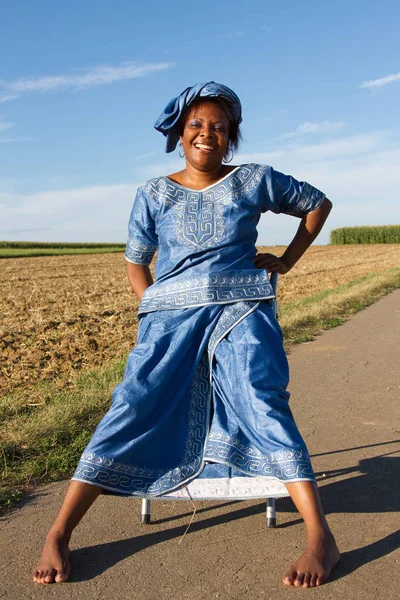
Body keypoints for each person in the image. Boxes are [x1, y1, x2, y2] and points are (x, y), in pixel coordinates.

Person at [33, 81, 340, 588]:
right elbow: (136, 261)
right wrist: (152, 307)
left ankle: (320, 539)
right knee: (133, 402)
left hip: (241, 310)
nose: (206, 134)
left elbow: (317, 203)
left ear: (231, 137)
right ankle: (60, 533)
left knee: (261, 401)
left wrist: (285, 260)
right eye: (196, 124)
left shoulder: (254, 180)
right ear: (180, 133)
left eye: (219, 127)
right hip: (170, 319)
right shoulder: (153, 192)